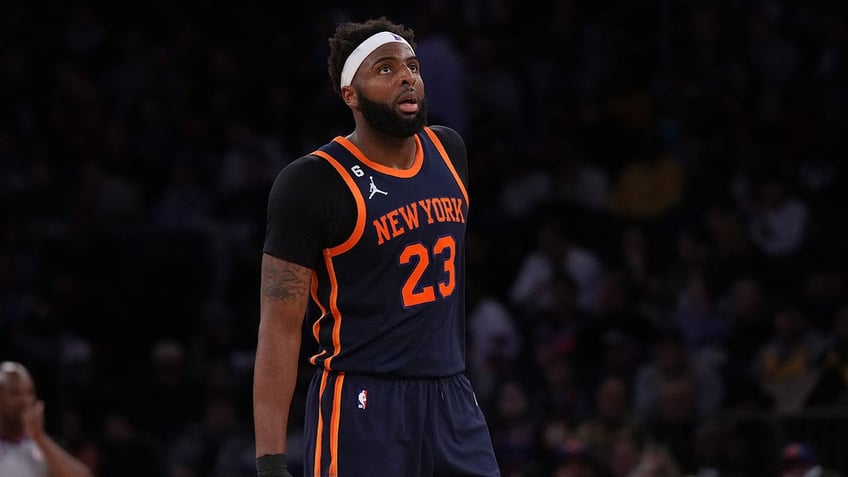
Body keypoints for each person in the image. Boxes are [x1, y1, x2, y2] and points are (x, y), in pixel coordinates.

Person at [253, 16, 500, 477]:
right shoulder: (311, 183)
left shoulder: (450, 151)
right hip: (362, 403)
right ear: (351, 94)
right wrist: (270, 460)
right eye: (385, 69)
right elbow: (280, 328)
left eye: (412, 65)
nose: (407, 76)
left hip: (452, 396)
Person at [0, 361, 93, 477]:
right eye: (15, 393)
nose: (25, 401)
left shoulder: (42, 447)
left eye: (29, 392)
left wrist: (40, 438)